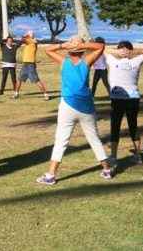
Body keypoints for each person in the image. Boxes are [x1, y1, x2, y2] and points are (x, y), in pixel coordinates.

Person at [36, 37, 113, 185]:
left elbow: (47, 50)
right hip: (86, 106)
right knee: (94, 139)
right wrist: (81, 44)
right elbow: (100, 47)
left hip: (68, 105)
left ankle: (51, 175)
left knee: (61, 140)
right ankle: (107, 170)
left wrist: (64, 45)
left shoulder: (64, 61)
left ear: (70, 50)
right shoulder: (86, 61)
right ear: (82, 50)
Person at [105, 41, 143, 166]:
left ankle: (115, 156)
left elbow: (103, 49)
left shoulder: (115, 60)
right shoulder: (129, 61)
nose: (123, 51)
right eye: (122, 49)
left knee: (117, 127)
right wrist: (128, 52)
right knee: (132, 126)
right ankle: (137, 156)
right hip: (128, 99)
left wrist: (123, 52)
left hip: (123, 99)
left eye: (126, 49)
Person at [15, 31, 50, 100]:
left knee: (36, 80)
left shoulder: (32, 41)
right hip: (25, 64)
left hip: (30, 64)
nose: (27, 36)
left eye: (28, 35)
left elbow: (22, 39)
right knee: (19, 79)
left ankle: (46, 95)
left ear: (30, 36)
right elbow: (23, 40)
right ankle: (16, 94)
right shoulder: (29, 42)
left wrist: (25, 36)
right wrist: (26, 36)